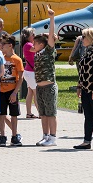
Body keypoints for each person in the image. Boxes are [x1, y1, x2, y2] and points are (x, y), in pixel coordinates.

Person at [32, 8, 59, 146]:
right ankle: (45, 136)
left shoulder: (48, 51)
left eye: (36, 43)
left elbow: (50, 36)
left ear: (42, 44)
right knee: (42, 114)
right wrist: (39, 36)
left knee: (50, 113)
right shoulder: (37, 53)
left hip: (49, 87)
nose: (33, 45)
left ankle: (53, 138)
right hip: (40, 87)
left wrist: (51, 18)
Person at [0, 34, 24, 147]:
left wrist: (15, 92)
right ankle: (2, 136)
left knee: (14, 115)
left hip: (12, 90)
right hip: (1, 90)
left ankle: (14, 136)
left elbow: (21, 77)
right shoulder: (1, 57)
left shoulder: (17, 60)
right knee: (1, 114)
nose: (1, 46)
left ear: (10, 45)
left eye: (4, 44)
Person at [21, 27, 39, 119]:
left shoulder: (28, 44)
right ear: (28, 36)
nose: (34, 36)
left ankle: (29, 113)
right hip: (31, 72)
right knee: (36, 93)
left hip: (29, 71)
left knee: (30, 93)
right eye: (33, 34)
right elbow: (37, 49)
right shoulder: (28, 45)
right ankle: (41, 113)